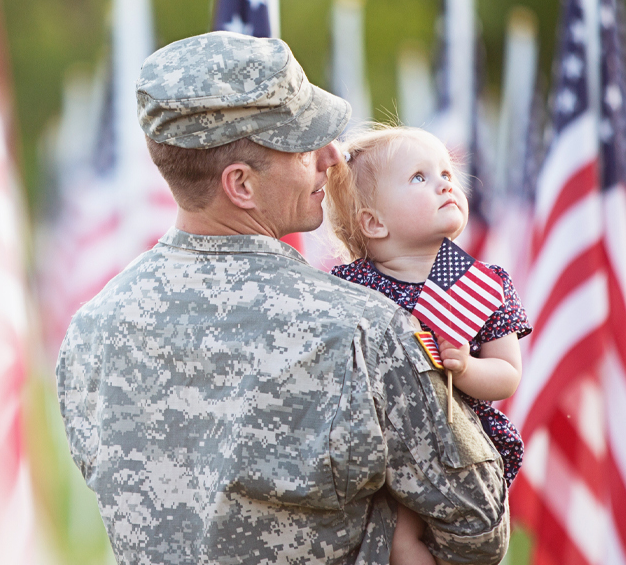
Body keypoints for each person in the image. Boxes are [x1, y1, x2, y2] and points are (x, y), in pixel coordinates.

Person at [56, 31, 508, 565]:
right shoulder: (364, 331)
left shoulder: (92, 330)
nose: (333, 156)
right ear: (241, 185)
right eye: (304, 144)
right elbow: (478, 527)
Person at [324, 126, 530, 565]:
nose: (444, 183)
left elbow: (507, 375)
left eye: (445, 172)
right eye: (419, 177)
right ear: (373, 222)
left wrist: (466, 369)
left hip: (457, 448)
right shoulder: (352, 287)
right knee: (399, 541)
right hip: (379, 445)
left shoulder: (482, 284)